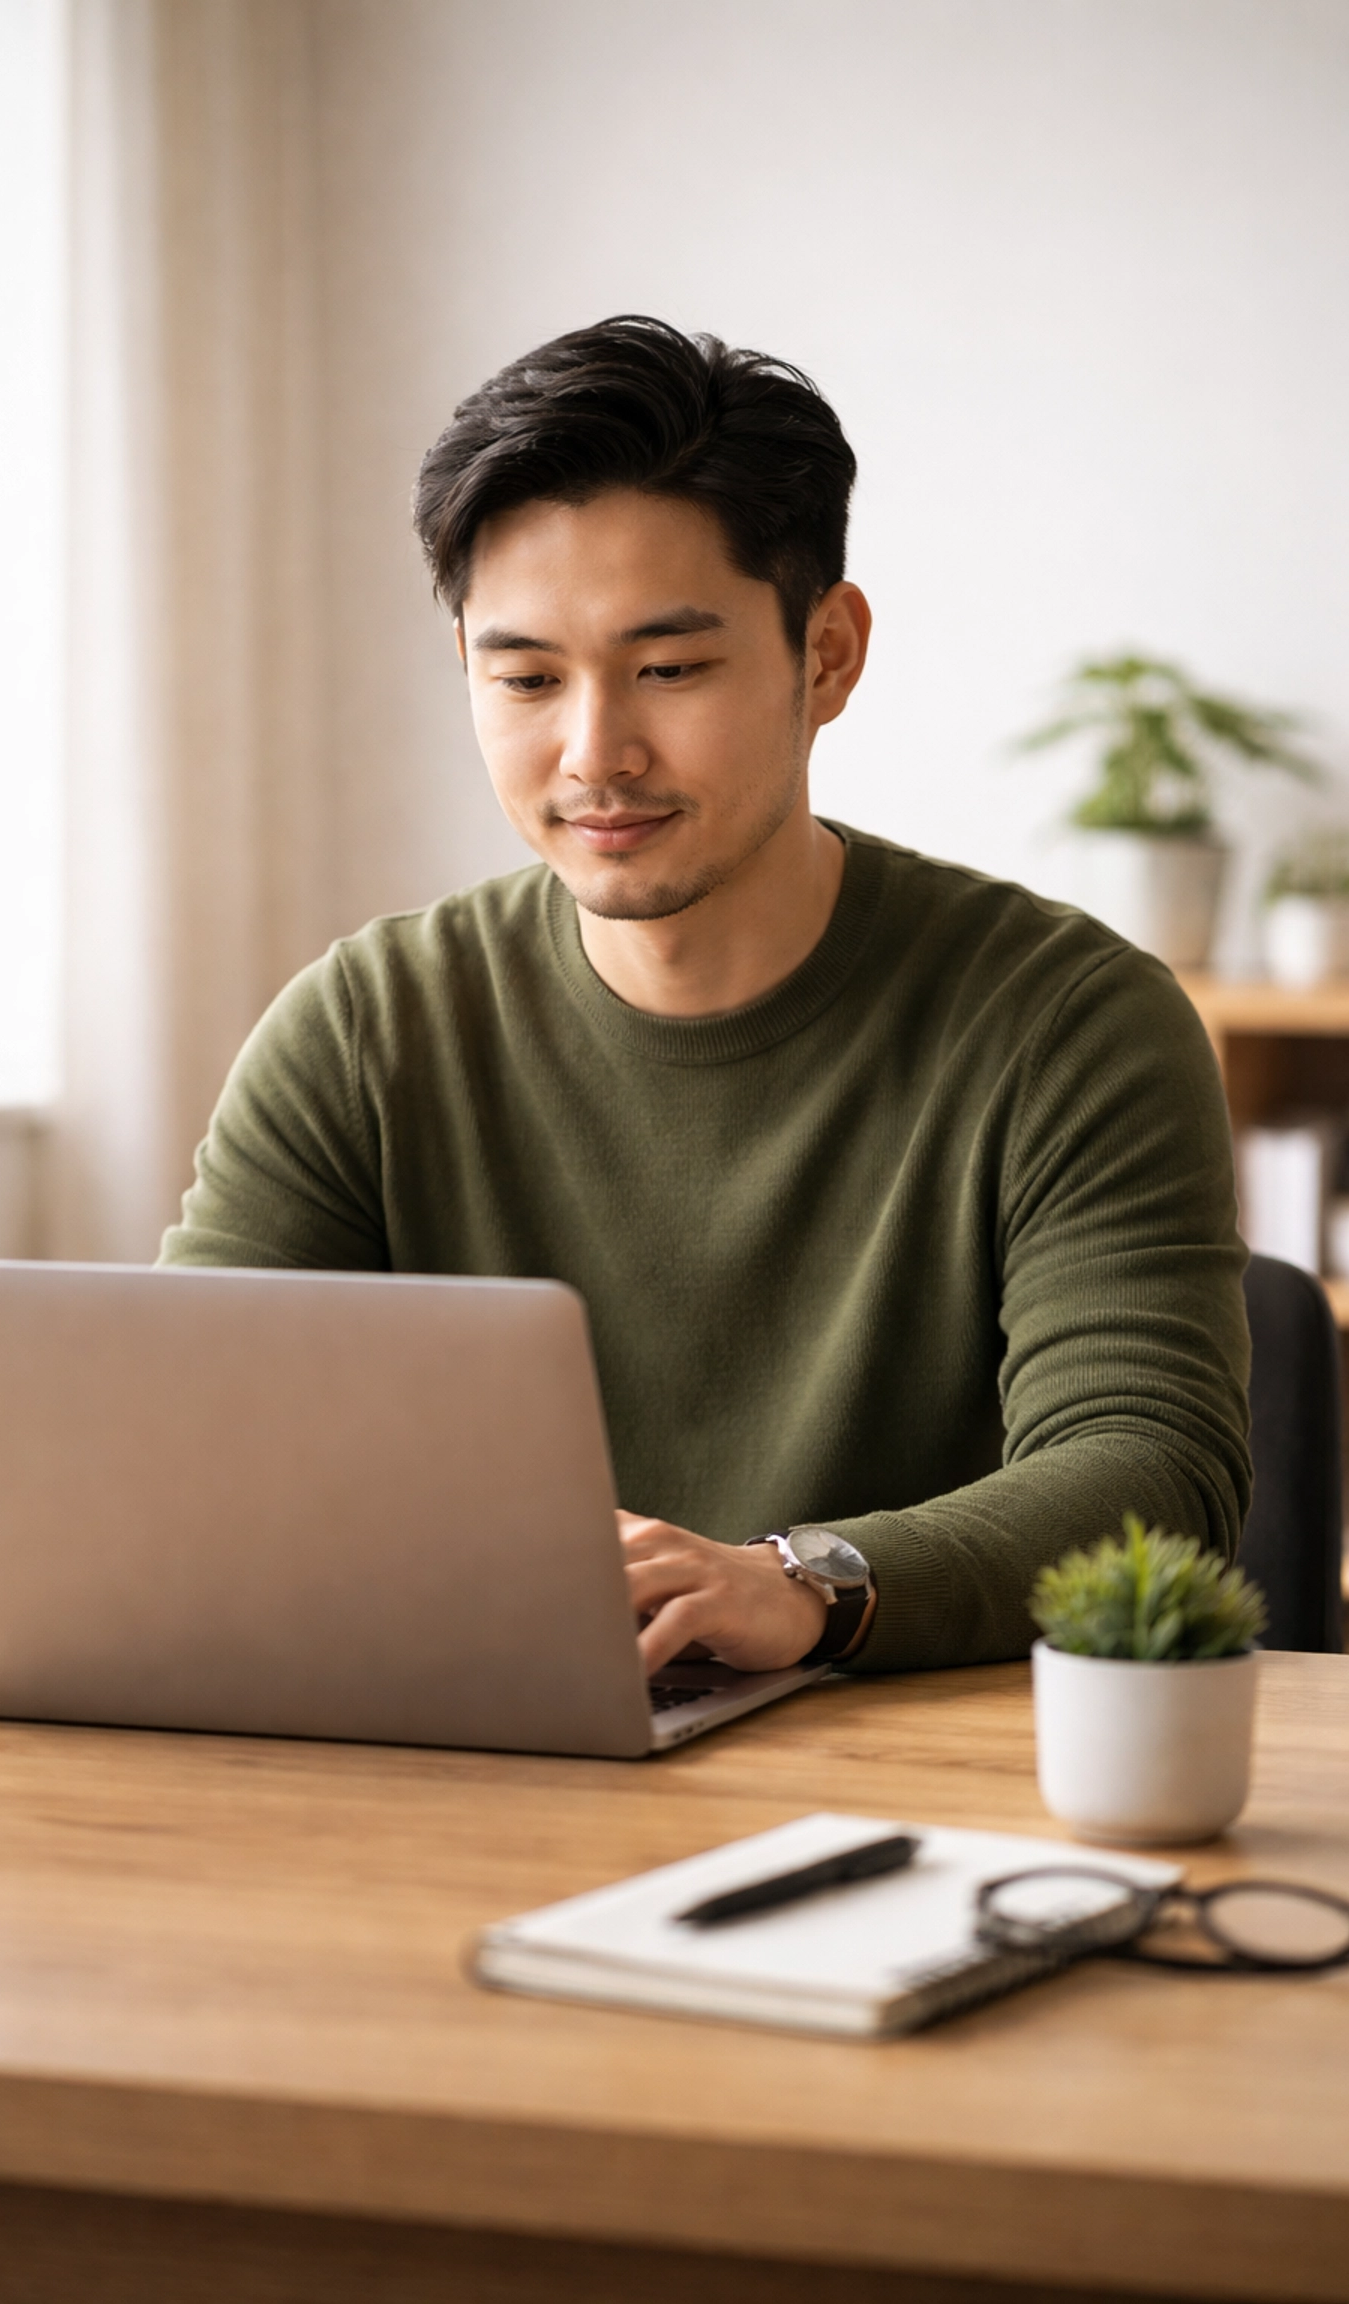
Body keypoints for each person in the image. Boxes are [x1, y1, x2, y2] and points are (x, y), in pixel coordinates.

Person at [159, 315, 1250, 1680]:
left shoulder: (1067, 1020)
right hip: (484, 1760)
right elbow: (191, 1436)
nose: (593, 752)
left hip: (916, 1796)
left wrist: (803, 1584)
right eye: (526, 679)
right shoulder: (367, 1026)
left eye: (669, 669)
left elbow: (1149, 1471)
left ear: (828, 656)